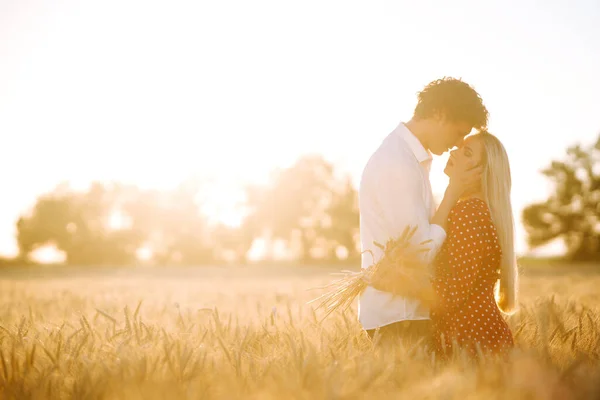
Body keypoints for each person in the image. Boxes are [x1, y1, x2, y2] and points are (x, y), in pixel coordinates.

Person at [358, 77, 489, 344]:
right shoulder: (398, 162)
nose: (458, 143)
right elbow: (419, 251)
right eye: (458, 132)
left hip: (403, 312)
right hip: (399, 315)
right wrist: (454, 191)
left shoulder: (407, 158)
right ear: (440, 114)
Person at [430, 131, 517, 359]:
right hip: (477, 335)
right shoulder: (476, 211)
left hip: (469, 338)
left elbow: (451, 293)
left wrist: (401, 279)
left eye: (466, 152)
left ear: (481, 173)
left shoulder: (469, 213)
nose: (453, 151)